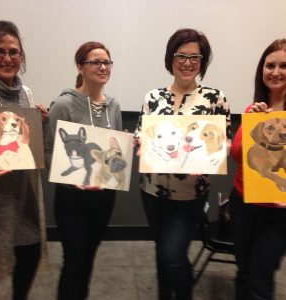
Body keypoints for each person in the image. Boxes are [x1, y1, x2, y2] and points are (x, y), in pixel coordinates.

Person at [135, 28, 231, 300]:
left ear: (202, 61)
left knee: (173, 255)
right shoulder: (153, 97)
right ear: (171, 59)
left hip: (190, 193)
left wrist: (210, 158)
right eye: (181, 56)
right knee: (161, 250)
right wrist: (139, 142)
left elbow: (224, 141)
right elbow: (142, 131)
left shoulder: (215, 98)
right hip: (152, 191)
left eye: (195, 57)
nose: (187, 63)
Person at [44, 41, 122, 300]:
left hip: (103, 195)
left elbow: (114, 154)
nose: (102, 67)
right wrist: (70, 179)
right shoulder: (63, 105)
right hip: (72, 198)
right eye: (95, 62)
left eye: (106, 62)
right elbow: (48, 150)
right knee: (74, 262)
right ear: (80, 67)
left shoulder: (114, 106)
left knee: (89, 257)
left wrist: (122, 152)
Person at [0, 20, 47, 300]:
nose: (7, 58)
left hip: (21, 189)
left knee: (30, 251)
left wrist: (38, 123)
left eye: (14, 52)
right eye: (0, 51)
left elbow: (25, 141)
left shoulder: (26, 93)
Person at [230, 38, 286, 300]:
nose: (275, 72)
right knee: (243, 272)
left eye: (284, 66)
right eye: (270, 65)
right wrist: (253, 120)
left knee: (261, 282)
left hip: (279, 213)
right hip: (244, 202)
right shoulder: (255, 110)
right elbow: (237, 155)